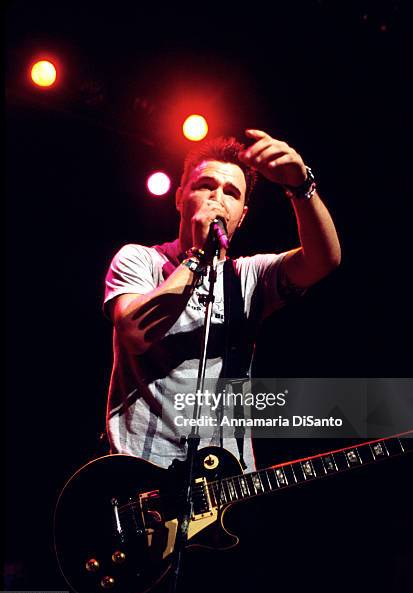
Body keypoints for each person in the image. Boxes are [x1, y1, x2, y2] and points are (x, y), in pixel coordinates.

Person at [103, 128, 341, 472]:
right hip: (141, 477)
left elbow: (324, 260)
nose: (217, 198)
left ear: (241, 215)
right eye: (205, 186)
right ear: (180, 196)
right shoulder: (140, 260)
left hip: (226, 478)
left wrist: (301, 187)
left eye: (231, 192)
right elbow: (135, 334)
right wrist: (200, 255)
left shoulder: (249, 276)